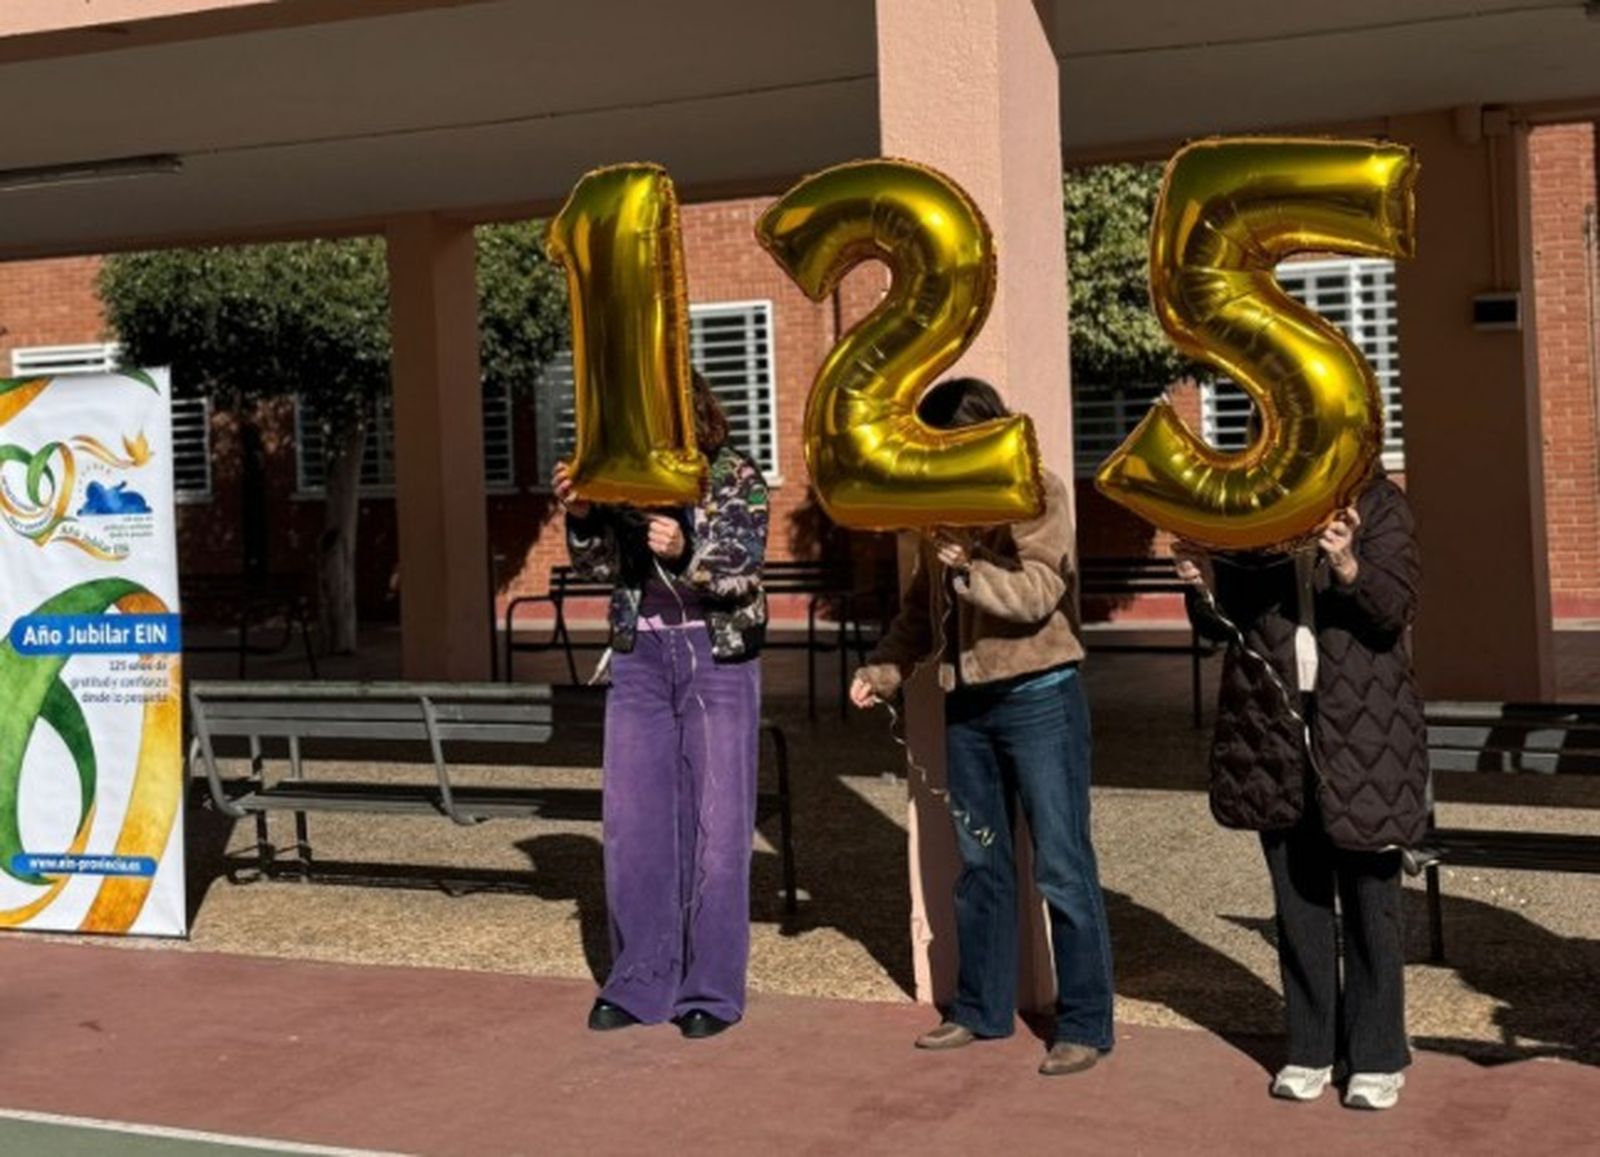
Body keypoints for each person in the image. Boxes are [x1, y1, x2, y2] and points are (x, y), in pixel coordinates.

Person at [850, 377, 1114, 1078]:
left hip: (1041, 698)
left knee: (1061, 866)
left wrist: (970, 564)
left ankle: (1085, 1023)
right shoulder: (946, 505)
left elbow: (1036, 593)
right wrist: (881, 670)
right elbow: (919, 606)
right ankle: (980, 1009)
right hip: (967, 707)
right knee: (982, 865)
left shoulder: (1039, 490)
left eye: (948, 441)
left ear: (980, 430)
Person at [1174, 471, 1426, 1110]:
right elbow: (1225, 626)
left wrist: (1345, 561)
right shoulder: (1262, 503)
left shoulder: (1381, 503)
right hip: (1274, 723)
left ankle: (1376, 1054)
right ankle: (1311, 1045)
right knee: (1298, 891)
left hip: (1365, 724)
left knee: (1371, 895)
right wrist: (1202, 583)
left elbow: (1392, 609)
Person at [553, 371, 769, 1040]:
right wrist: (583, 516)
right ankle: (641, 979)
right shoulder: (624, 477)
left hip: (718, 654)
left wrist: (689, 547)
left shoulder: (733, 471)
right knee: (633, 820)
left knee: (717, 823)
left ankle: (709, 988)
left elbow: (745, 565)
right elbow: (597, 569)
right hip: (640, 657)